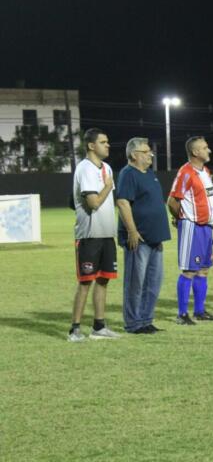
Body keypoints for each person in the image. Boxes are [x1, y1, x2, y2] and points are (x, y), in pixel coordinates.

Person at [68, 128, 120, 341]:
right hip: (89, 236)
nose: (108, 145)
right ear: (91, 145)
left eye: (107, 141)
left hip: (107, 234)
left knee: (103, 281)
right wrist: (108, 186)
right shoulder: (85, 169)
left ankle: (99, 327)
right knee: (85, 282)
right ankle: (75, 330)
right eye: (103, 141)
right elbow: (94, 202)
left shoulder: (106, 167)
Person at [116, 137, 170, 334]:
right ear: (134, 155)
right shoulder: (128, 174)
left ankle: (146, 320)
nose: (150, 155)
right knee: (135, 283)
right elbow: (123, 202)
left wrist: (159, 234)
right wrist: (132, 231)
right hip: (138, 238)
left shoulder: (149, 174)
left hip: (155, 238)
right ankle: (133, 323)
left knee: (153, 282)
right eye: (146, 152)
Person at [168, 136, 213, 325]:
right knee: (189, 270)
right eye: (205, 148)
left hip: (206, 226)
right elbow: (173, 200)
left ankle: (199, 311)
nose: (209, 151)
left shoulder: (205, 171)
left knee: (204, 270)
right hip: (192, 226)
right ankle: (182, 314)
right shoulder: (186, 172)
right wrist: (182, 217)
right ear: (195, 152)